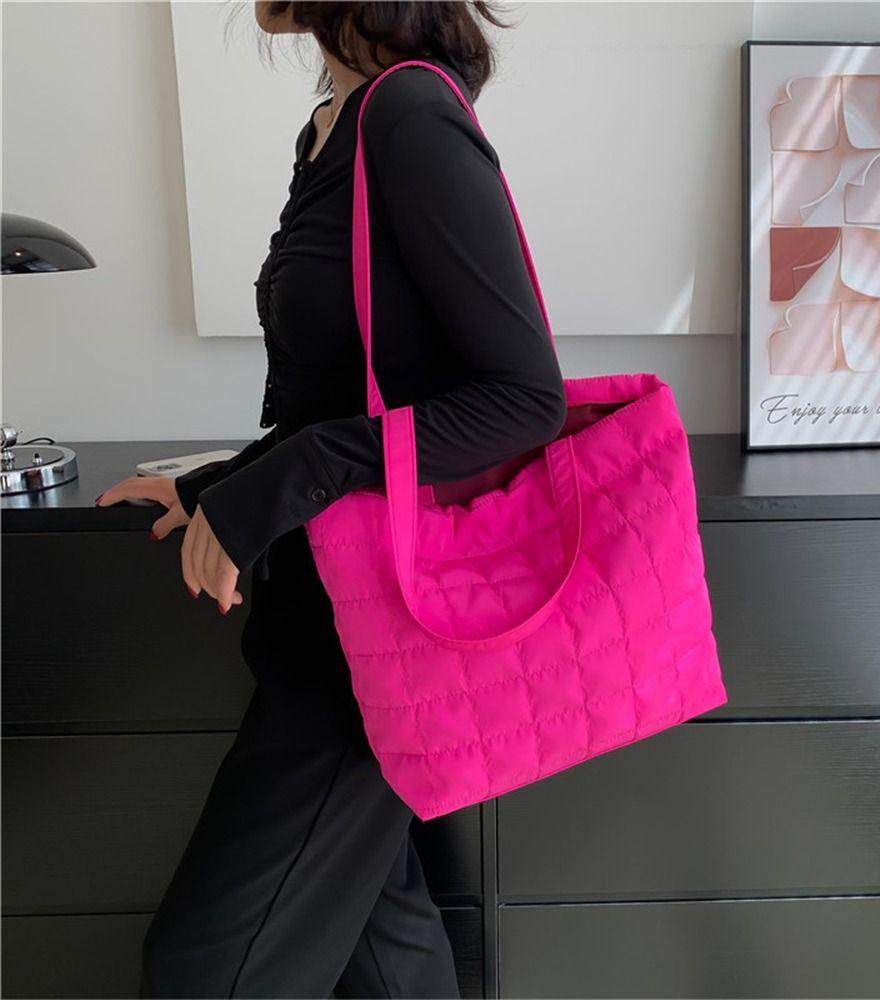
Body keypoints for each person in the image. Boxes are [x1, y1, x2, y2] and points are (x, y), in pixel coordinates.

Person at [93, 1, 566, 996]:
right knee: (387, 955)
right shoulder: (338, 126)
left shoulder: (410, 119)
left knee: (203, 973)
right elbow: (344, 399)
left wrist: (277, 482)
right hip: (331, 624)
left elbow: (523, 399)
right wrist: (218, 486)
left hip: (373, 651)